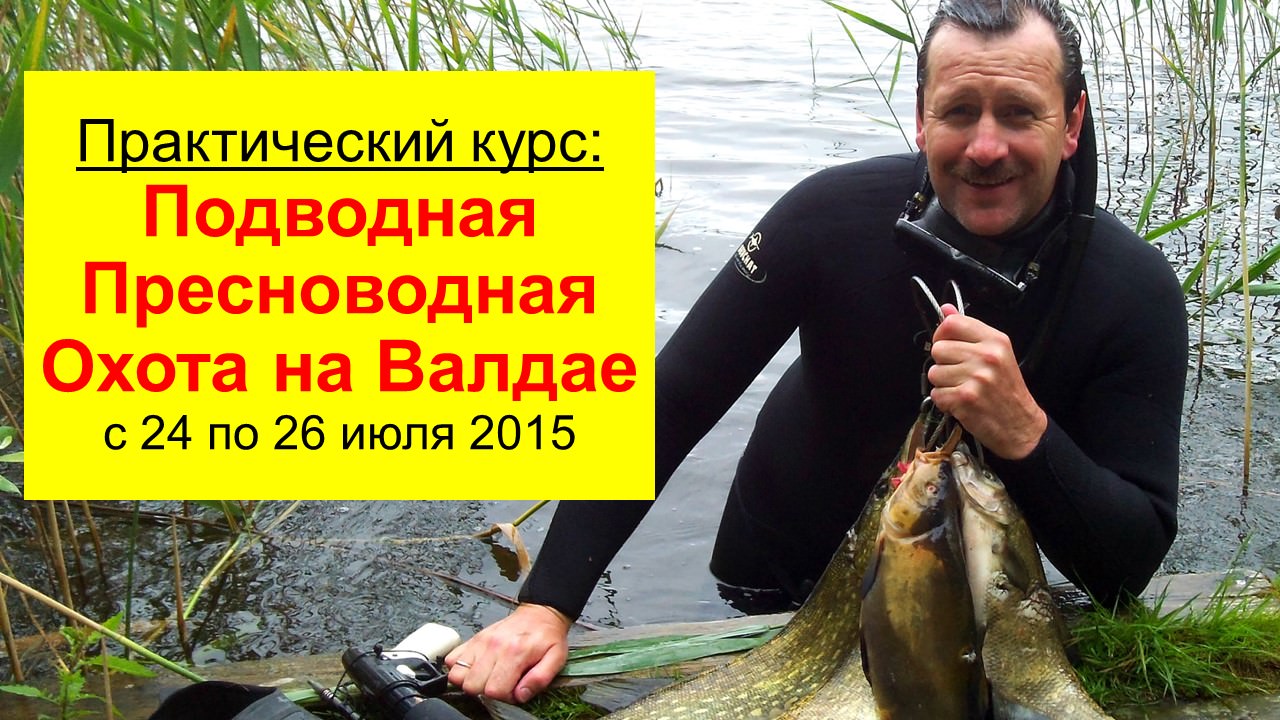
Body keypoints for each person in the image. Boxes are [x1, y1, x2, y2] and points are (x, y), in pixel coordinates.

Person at [446, 0, 1188, 704]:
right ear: (922, 117)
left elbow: (1128, 570)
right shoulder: (828, 217)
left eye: (1020, 113)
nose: (985, 147)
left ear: (1071, 122)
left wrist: (1024, 430)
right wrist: (548, 603)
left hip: (963, 610)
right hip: (771, 583)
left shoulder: (1133, 291)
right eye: (959, 111)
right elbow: (673, 403)